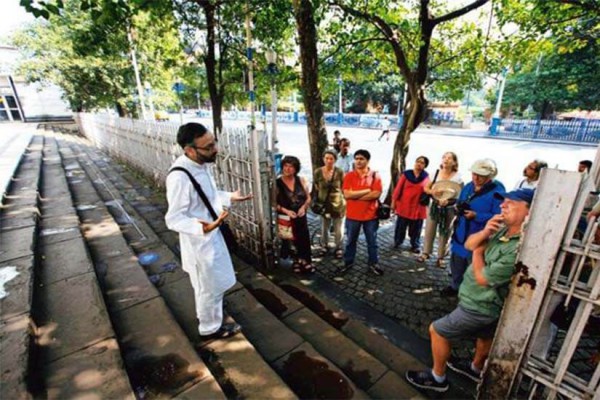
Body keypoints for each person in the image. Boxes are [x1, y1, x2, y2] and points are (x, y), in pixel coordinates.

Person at [405, 189, 535, 393]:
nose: (502, 206)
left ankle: (437, 379)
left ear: (529, 212)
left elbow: (484, 278)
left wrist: (477, 253)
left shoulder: (520, 247)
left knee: (438, 331)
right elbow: (469, 243)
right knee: (484, 336)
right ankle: (475, 368)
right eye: (504, 202)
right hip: (480, 301)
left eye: (511, 203)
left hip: (481, 304)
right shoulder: (503, 230)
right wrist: (485, 233)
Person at [165, 123, 253, 340]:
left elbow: (206, 196)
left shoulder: (200, 165)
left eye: (214, 143)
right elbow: (173, 218)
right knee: (207, 288)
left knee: (213, 284)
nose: (216, 149)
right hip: (200, 243)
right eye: (209, 146)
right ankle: (210, 328)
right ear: (190, 150)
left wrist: (229, 197)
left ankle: (214, 317)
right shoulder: (179, 177)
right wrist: (201, 227)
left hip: (212, 237)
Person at [441, 159, 505, 297]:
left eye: (480, 175)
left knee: (474, 267)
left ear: (489, 176)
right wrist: (457, 206)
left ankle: (471, 292)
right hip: (461, 232)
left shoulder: (498, 191)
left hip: (479, 236)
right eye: (474, 174)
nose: (475, 178)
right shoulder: (469, 186)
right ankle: (455, 286)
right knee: (457, 262)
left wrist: (477, 215)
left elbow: (498, 217)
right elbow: (460, 200)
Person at [340, 149, 384, 276]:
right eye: (357, 158)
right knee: (350, 242)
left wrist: (355, 196)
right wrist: (366, 191)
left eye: (361, 159)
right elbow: (347, 194)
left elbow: (376, 194)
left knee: (372, 242)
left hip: (371, 216)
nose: (358, 161)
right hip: (353, 216)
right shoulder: (349, 175)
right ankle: (348, 262)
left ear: (367, 160)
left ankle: (373, 263)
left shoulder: (375, 175)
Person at [418, 152, 463, 267]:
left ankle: (441, 257)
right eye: (444, 157)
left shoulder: (458, 177)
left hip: (449, 208)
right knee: (429, 230)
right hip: (434, 206)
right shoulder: (435, 173)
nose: (446, 160)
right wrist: (433, 192)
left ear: (454, 162)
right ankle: (426, 252)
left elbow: (459, 195)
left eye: (449, 158)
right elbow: (426, 188)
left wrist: (449, 201)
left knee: (445, 231)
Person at [276, 155, 314, 274]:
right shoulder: (277, 183)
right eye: (285, 166)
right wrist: (286, 211)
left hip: (300, 216)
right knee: (291, 240)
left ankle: (306, 260)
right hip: (286, 217)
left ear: (296, 169)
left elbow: (308, 198)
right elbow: (273, 203)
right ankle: (296, 260)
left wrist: (304, 207)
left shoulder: (301, 180)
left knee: (304, 239)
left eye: (291, 166)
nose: (287, 169)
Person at [391, 156, 430, 253]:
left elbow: (428, 189)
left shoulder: (426, 177)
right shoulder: (406, 174)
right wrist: (393, 202)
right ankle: (398, 241)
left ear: (425, 166)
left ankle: (415, 244)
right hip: (404, 205)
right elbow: (398, 189)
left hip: (418, 207)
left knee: (416, 228)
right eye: (418, 161)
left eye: (422, 162)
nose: (419, 164)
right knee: (401, 226)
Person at [313, 150, 346, 259]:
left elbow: (343, 188)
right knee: (324, 227)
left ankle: (339, 247)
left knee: (338, 229)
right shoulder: (318, 172)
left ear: (335, 160)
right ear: (323, 159)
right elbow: (317, 187)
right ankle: (324, 246)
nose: (328, 161)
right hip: (323, 205)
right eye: (326, 158)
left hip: (338, 205)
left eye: (331, 158)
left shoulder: (340, 172)